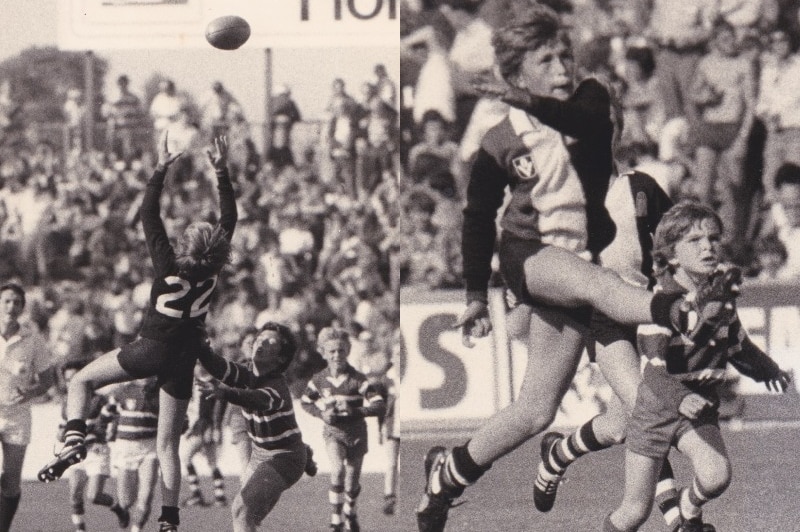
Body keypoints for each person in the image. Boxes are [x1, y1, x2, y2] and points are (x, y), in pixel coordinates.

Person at [415, 7, 738, 531]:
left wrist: (534, 101)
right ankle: (681, 511)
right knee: (619, 335)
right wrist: (476, 294)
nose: (564, 68)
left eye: (566, 56)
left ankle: (446, 474)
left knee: (536, 410)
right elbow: (476, 217)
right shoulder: (500, 139)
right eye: (548, 60)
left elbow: (588, 120)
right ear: (516, 71)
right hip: (532, 258)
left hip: (593, 290)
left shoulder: (589, 104)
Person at [38, 131, 237, 532]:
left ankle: (75, 438)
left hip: (151, 347)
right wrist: (220, 170)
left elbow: (149, 214)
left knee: (80, 382)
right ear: (215, 246)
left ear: (185, 242)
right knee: (167, 446)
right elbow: (230, 218)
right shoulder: (213, 269)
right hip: (185, 358)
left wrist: (161, 169)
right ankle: (169, 519)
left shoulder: (168, 263)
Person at [604, 201, 790, 532]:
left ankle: (688, 513)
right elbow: (651, 371)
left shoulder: (720, 291)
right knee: (634, 511)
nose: (708, 246)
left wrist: (766, 367)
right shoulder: (661, 302)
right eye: (695, 241)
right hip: (656, 410)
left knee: (717, 475)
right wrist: (679, 399)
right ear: (671, 254)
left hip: (698, 401)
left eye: (713, 238)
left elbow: (737, 345)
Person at [195, 322, 315, 532]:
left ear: (280, 358)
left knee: (242, 509)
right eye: (261, 336)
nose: (261, 340)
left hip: (285, 458)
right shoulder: (247, 372)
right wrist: (201, 348)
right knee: (248, 517)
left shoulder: (277, 385)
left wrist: (226, 392)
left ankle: (305, 454)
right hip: (261, 454)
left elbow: (256, 399)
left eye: (271, 341)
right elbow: (220, 367)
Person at [301, 327, 386, 532]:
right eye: (331, 351)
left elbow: (379, 404)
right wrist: (322, 414)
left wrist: (355, 410)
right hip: (334, 432)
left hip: (357, 434)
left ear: (347, 351)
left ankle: (351, 511)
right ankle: (337, 520)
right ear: (323, 353)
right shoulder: (319, 379)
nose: (336, 355)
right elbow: (305, 402)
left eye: (340, 350)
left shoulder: (358, 379)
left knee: (352, 482)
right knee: (337, 470)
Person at [688, 19, 755, 260]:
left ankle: (730, 244)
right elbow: (694, 95)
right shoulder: (706, 63)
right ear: (715, 41)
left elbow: (750, 104)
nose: (731, 43)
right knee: (704, 188)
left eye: (732, 38)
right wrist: (705, 97)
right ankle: (706, 240)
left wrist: (743, 138)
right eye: (725, 39)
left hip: (732, 128)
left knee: (731, 190)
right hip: (709, 127)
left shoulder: (743, 64)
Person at [0, 282, 56, 532]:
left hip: (17, 416)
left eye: (17, 302)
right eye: (7, 301)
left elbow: (47, 380)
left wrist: (30, 392)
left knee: (10, 483)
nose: (11, 306)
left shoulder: (32, 339)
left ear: (23, 307)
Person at [58, 359, 129, 532]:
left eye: (74, 378)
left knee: (94, 496)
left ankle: (118, 508)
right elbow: (62, 430)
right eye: (68, 380)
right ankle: (80, 529)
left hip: (97, 452)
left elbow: (108, 427)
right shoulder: (66, 403)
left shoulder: (100, 401)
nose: (71, 383)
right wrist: (62, 437)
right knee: (74, 493)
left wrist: (95, 433)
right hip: (76, 451)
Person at [109, 377, 160, 532]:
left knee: (145, 497)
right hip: (126, 448)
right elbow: (107, 412)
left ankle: (136, 529)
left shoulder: (161, 391)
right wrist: (105, 430)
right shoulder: (122, 391)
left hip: (150, 448)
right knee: (126, 501)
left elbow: (178, 416)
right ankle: (122, 511)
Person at [180, 364, 227, 508]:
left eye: (198, 365)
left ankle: (196, 495)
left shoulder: (212, 384)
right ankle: (220, 496)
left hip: (205, 427)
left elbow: (217, 410)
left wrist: (214, 428)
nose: (195, 368)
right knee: (212, 461)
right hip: (203, 426)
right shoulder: (203, 383)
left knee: (186, 456)